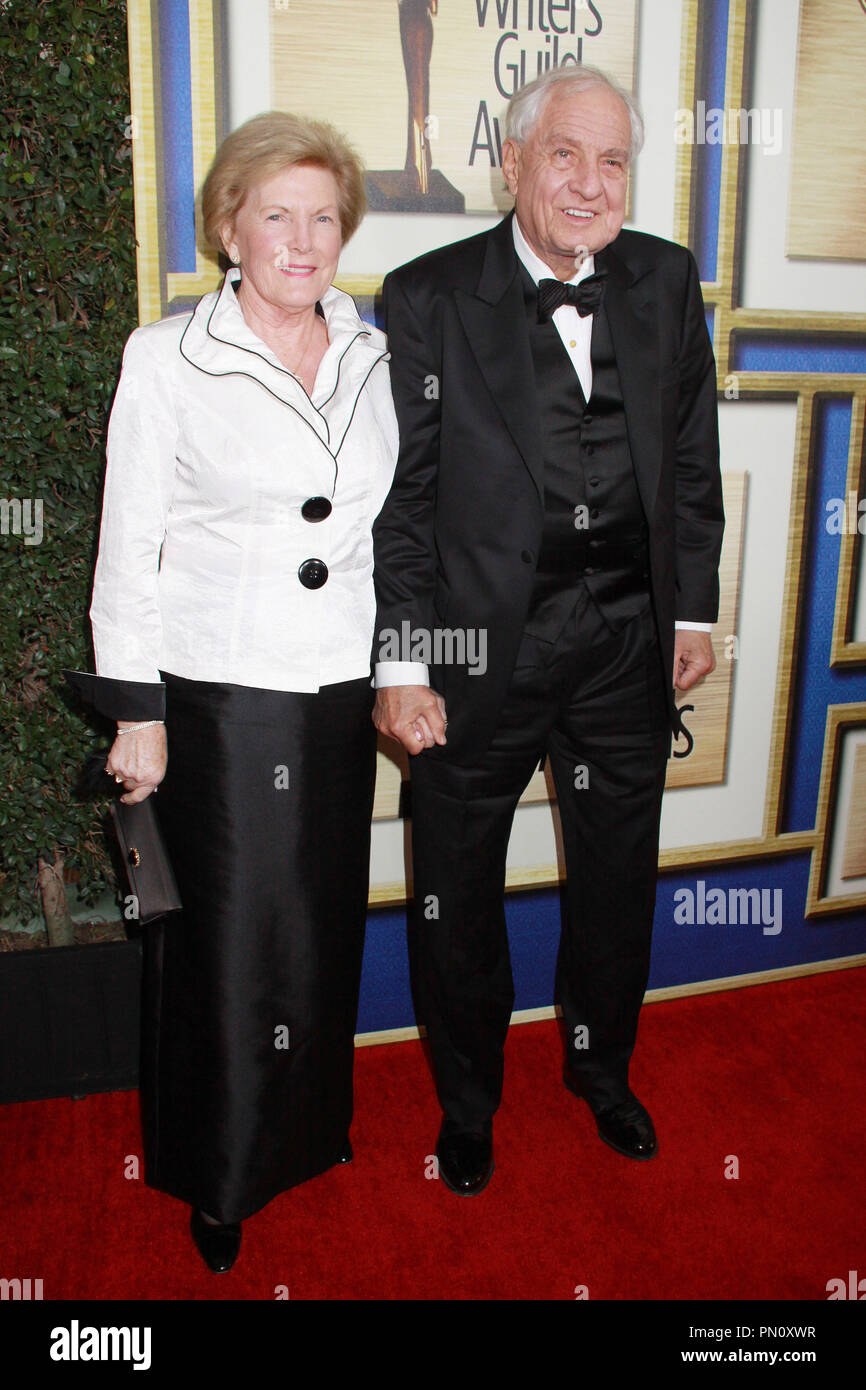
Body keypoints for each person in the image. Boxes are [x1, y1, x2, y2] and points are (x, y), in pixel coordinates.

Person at [372, 65, 723, 1195]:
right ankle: (469, 1102)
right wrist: (404, 662)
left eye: (611, 160)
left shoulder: (665, 281)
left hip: (626, 634)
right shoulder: (426, 296)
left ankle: (599, 1070)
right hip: (481, 649)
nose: (587, 182)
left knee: (617, 876)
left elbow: (690, 462)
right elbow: (403, 505)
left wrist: (696, 607)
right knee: (458, 886)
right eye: (562, 154)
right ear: (512, 162)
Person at [83, 112, 397, 1268]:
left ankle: (308, 1128)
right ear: (229, 227)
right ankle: (221, 1174)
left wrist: (397, 668)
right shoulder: (164, 359)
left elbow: (381, 537)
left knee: (313, 928)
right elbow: (128, 549)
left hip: (332, 697)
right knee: (224, 948)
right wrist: (138, 716)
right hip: (217, 702)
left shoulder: (370, 353)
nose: (302, 239)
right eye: (278, 214)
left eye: (323, 217)